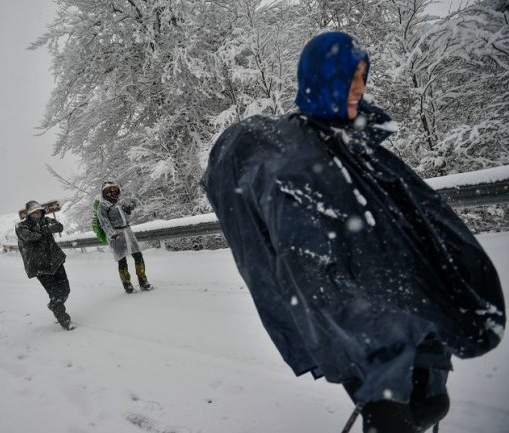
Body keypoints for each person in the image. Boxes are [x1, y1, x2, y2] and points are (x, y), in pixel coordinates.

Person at [202, 31, 505, 433]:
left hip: (408, 323)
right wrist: (384, 354)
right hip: (363, 340)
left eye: (363, 76)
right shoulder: (295, 167)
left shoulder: (353, 142)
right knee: (397, 421)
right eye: (349, 78)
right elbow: (313, 281)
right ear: (319, 80)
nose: (359, 89)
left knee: (431, 405)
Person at [15, 200, 75, 330]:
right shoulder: (21, 226)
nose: (37, 214)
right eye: (34, 212)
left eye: (39, 212)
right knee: (55, 294)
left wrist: (44, 228)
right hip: (39, 267)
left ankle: (53, 305)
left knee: (65, 290)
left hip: (56, 261)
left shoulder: (46, 220)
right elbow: (31, 236)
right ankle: (64, 319)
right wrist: (45, 229)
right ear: (29, 214)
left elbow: (59, 227)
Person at [96, 181, 152, 293]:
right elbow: (104, 222)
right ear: (104, 192)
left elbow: (128, 218)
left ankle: (143, 281)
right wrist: (112, 234)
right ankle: (127, 285)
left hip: (128, 231)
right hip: (117, 235)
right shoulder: (103, 205)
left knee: (138, 256)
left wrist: (128, 209)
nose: (112, 192)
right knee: (122, 260)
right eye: (109, 190)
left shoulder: (119, 202)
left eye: (114, 189)